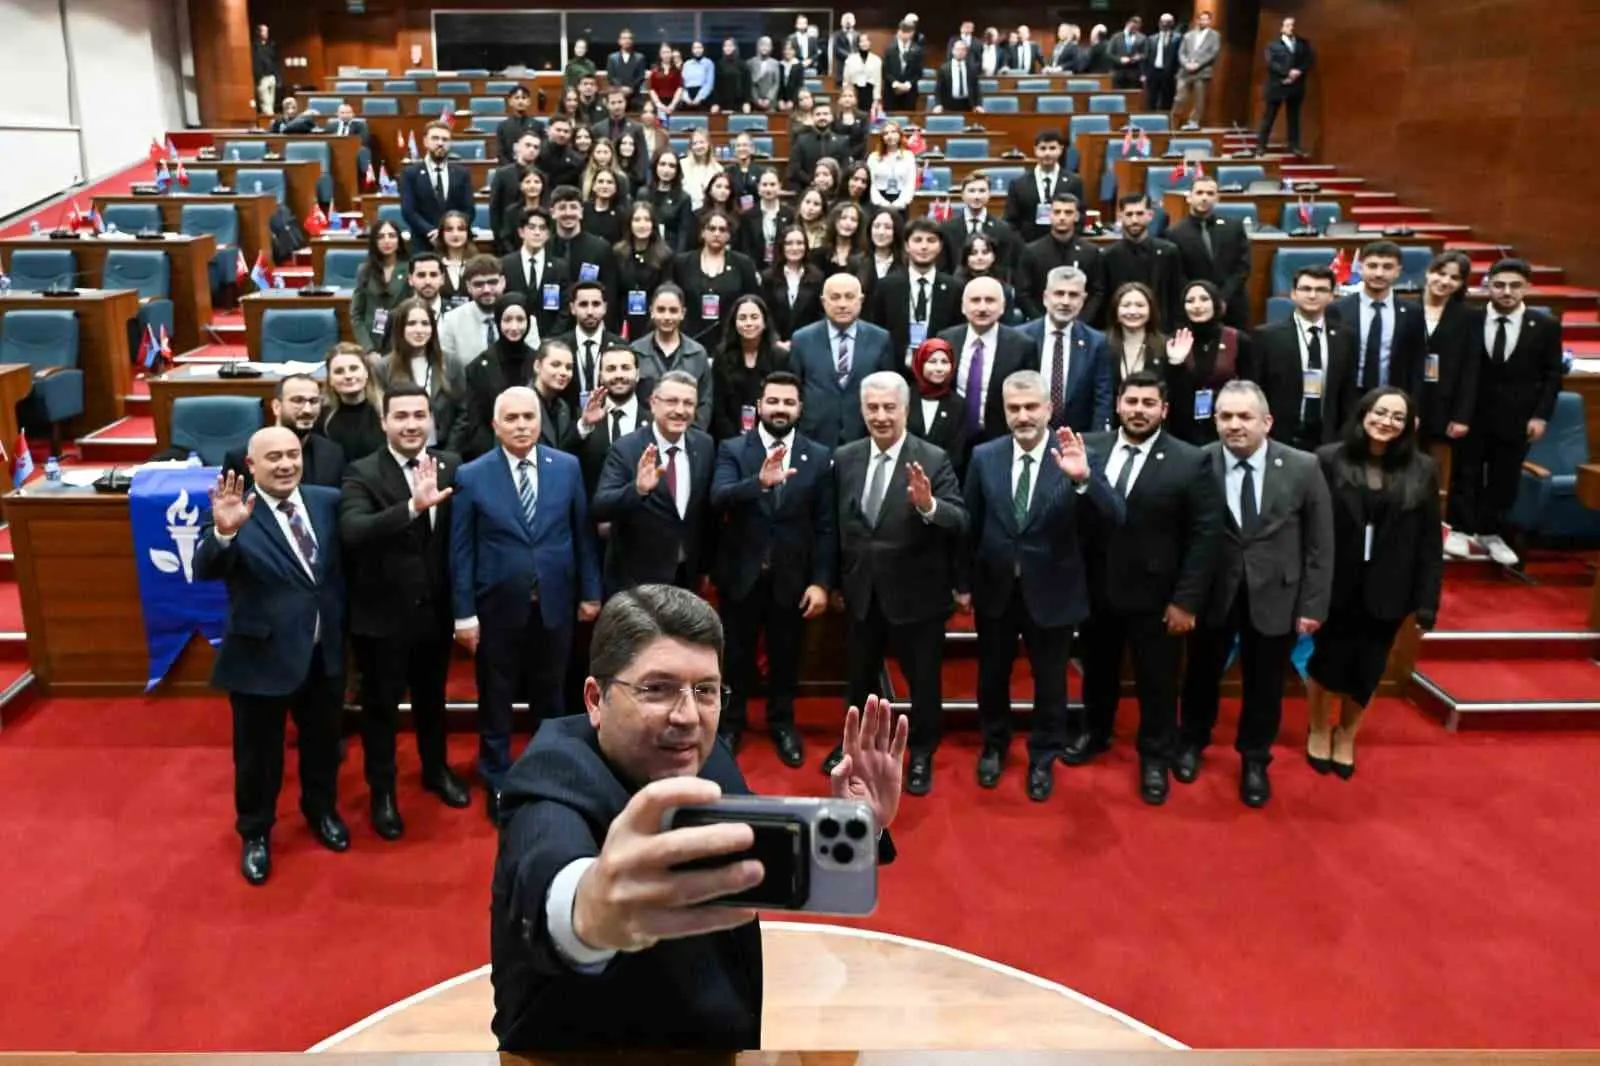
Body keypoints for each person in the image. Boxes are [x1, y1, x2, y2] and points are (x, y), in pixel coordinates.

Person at [489, 584, 905, 1050]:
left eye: (705, 690)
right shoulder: (551, 775)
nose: (688, 715)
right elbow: (548, 878)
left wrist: (860, 824)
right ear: (594, 699)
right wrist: (592, 911)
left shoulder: (704, 756)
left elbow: (759, 859)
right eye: (657, 689)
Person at [195, 428, 347, 885]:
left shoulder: (327, 501)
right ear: (251, 465)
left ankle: (321, 811)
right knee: (258, 757)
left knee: (323, 745)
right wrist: (224, 532)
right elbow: (206, 567)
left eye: (292, 455)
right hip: (260, 656)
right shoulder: (235, 510)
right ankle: (256, 832)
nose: (285, 465)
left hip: (322, 651)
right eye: (273, 457)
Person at [959, 376, 1122, 801]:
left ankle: (1043, 756)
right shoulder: (984, 456)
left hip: (1054, 589)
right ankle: (994, 745)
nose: (1023, 416)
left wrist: (1084, 480)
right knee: (992, 676)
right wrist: (963, 582)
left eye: (1031, 407)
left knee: (1050, 682)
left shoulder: (1079, 454)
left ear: (1049, 409)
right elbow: (970, 523)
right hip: (995, 588)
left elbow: (1115, 517)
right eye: (1014, 408)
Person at [1178, 380, 1334, 808]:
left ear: (1267, 421)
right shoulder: (1198, 462)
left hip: (1277, 594)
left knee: (1265, 683)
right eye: (1226, 416)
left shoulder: (1304, 466)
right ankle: (1191, 741)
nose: (1235, 425)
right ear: (1215, 421)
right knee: (1200, 675)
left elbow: (1320, 544)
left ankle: (1254, 759)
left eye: (1245, 416)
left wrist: (1313, 605)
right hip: (1213, 593)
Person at [452, 387, 602, 824]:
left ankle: (548, 772)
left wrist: (591, 592)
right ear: (495, 425)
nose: (521, 425)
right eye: (511, 418)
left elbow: (582, 534)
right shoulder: (471, 475)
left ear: (540, 422)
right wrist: (464, 614)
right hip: (496, 607)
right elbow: (461, 551)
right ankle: (497, 777)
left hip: (556, 602)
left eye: (528, 417)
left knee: (551, 693)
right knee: (496, 696)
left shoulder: (567, 467)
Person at [1079, 372, 1221, 804]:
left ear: (1164, 409)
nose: (1138, 410)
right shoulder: (1089, 448)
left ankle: (1155, 756)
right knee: (1097, 672)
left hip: (1158, 598)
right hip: (1096, 590)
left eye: (1148, 403)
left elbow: (1205, 536)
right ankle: (1096, 733)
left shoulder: (1190, 460)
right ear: (1118, 405)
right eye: (1132, 401)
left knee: (1157, 683)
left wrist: (1186, 601)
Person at [338, 384, 472, 839]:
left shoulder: (450, 464)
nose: (412, 425)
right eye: (401, 416)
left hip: (435, 615)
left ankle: (436, 771)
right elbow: (354, 530)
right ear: (384, 422)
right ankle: (383, 792)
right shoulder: (361, 471)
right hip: (382, 619)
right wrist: (412, 507)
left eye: (419, 415)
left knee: (432, 702)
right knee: (380, 711)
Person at [829, 371, 967, 796]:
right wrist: (833, 581)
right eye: (872, 407)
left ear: (906, 410)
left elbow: (959, 519)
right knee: (859, 679)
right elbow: (837, 525)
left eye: (889, 407)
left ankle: (922, 753)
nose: (881, 416)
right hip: (861, 591)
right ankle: (853, 748)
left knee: (923, 683)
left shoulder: (933, 458)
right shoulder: (846, 457)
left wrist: (928, 505)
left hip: (917, 595)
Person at [1308, 386, 1442, 778]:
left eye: (1398, 417)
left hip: (1390, 588)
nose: (1387, 422)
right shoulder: (1327, 459)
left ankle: (1347, 733)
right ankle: (1319, 728)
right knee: (1327, 662)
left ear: (1409, 426)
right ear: (1364, 414)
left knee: (1368, 669)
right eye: (1380, 412)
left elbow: (1429, 541)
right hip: (1336, 585)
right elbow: (1310, 528)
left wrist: (1428, 601)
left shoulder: (1423, 469)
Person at [710, 371, 835, 764]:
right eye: (774, 401)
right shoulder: (733, 449)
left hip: (792, 578)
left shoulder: (818, 456)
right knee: (735, 658)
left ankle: (782, 724)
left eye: (789, 403)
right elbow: (718, 497)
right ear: (760, 406)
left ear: (800, 408)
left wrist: (821, 583)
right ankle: (730, 725)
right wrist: (759, 483)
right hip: (741, 576)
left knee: (786, 656)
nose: (781, 409)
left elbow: (826, 526)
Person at [1450, 258, 1563, 567]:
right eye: (1499, 285)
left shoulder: (1545, 325)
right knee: (1465, 473)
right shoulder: (1469, 319)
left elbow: (1553, 376)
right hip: (1470, 414)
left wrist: (1540, 416)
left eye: (1515, 285)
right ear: (1488, 286)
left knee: (1505, 478)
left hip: (1518, 418)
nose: (1507, 292)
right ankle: (1460, 529)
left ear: (1528, 287)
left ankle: (1491, 532)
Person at [592, 371, 716, 595]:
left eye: (688, 403)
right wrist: (637, 489)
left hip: (686, 576)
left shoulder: (704, 445)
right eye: (672, 401)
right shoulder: (626, 448)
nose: (680, 410)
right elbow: (601, 506)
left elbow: (705, 514)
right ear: (653, 403)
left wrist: (705, 568)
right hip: (637, 580)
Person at [1325, 240, 1429, 438]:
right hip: (1349, 400)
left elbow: (1417, 365)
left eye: (1387, 267)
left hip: (1393, 399)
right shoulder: (1338, 309)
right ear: (1360, 267)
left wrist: (1415, 409)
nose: (1379, 273)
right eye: (1372, 266)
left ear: (1398, 271)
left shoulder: (1412, 312)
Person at [1255, 264, 1357, 450]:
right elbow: (1257, 389)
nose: (1312, 295)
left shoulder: (1345, 337)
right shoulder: (1267, 337)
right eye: (1306, 289)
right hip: (1279, 438)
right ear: (1293, 294)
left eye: (1321, 290)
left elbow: (1348, 392)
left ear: (1332, 296)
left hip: (1328, 439)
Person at [790, 273, 895, 447]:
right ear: (823, 302)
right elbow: (794, 390)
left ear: (861, 300)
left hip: (864, 435)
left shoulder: (880, 339)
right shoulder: (802, 339)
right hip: (813, 436)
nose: (842, 304)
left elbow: (887, 390)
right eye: (835, 297)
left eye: (849, 297)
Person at [937, 277, 1042, 450]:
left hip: (1000, 440)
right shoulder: (946, 339)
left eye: (990, 300)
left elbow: (1029, 395)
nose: (982, 308)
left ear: (1002, 307)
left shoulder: (1023, 346)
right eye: (975, 300)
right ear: (963, 306)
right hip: (952, 439)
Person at [1418, 251, 1478, 541]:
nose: (1445, 281)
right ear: (1428, 272)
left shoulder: (1468, 316)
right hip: (1408, 402)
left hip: (1446, 406)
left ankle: (1437, 533)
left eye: (1454, 277)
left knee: (1438, 475)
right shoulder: (1406, 308)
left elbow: (1471, 368)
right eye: (1440, 273)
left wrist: (1462, 415)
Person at [1018, 265, 1113, 433]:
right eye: (1059, 294)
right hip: (1027, 433)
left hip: (1078, 437)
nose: (1065, 302)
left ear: (1083, 300)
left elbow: (1102, 400)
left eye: (1073, 295)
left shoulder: (1096, 342)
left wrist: (1098, 440)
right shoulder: (1020, 337)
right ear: (1045, 297)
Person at [452, 294, 539, 459]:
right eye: (507, 320)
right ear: (498, 321)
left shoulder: (538, 362)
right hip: (491, 451)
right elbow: (474, 420)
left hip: (533, 448)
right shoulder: (479, 366)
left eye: (520, 319)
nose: (514, 327)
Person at [1164, 280, 1250, 446]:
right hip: (1184, 428)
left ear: (1216, 303)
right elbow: (1171, 392)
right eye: (1190, 301)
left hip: (1228, 422)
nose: (1197, 306)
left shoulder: (1238, 339)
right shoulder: (1175, 340)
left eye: (1204, 299)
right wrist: (1176, 363)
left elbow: (1250, 386)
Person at [224, 374, 346, 489]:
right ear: (277, 407)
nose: (307, 410)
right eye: (298, 400)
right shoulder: (241, 458)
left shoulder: (333, 454)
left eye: (314, 401)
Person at [1163, 176, 1250, 330]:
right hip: (1195, 308)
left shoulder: (1234, 227)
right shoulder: (1174, 233)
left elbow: (1242, 267)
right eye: (1199, 193)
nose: (1204, 198)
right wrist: (1201, 299)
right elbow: (1178, 273)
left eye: (1210, 193)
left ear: (1217, 198)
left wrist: (1222, 298)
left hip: (1232, 307)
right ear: (1189, 197)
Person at [869, 219, 960, 366]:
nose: (924, 246)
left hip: (938, 368)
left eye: (931, 240)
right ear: (906, 245)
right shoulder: (887, 286)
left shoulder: (954, 288)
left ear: (940, 246)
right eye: (917, 240)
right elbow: (877, 330)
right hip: (895, 367)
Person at [634, 283, 714, 430]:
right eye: (661, 310)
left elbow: (705, 402)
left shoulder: (698, 353)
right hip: (645, 434)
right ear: (651, 311)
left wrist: (693, 434)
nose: (667, 316)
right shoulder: (636, 351)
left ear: (682, 313)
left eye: (673, 310)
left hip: (687, 434)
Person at [1101, 194, 1185, 332]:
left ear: (1150, 215)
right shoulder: (1108, 256)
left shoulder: (1169, 252)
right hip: (1120, 330)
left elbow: (1176, 296)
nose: (1134, 220)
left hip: (1161, 330)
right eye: (1129, 214)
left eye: (1139, 214)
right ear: (1120, 217)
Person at [1017, 193, 1104, 324]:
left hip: (1080, 323)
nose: (1062, 217)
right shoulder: (1031, 252)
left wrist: (1081, 322)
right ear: (1049, 215)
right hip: (1041, 323)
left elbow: (1097, 292)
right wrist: (1042, 322)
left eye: (1068, 212)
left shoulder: (1091, 252)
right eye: (1057, 212)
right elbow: (1023, 293)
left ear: (1076, 216)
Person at [710, 294, 784, 440]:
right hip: (728, 437)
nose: (748, 323)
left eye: (754, 317)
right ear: (734, 323)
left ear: (765, 322)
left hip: (770, 436)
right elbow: (718, 406)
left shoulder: (780, 357)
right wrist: (734, 441)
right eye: (742, 318)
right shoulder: (722, 356)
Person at [400, 122, 475, 255]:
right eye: (435, 138)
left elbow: (468, 210)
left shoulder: (462, 173)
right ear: (425, 141)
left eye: (445, 139)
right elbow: (409, 211)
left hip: (455, 244)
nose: (440, 143)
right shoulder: (411, 173)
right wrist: (431, 231)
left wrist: (449, 231)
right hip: (423, 243)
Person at [552, 279, 627, 407]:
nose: (590, 312)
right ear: (572, 308)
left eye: (596, 304)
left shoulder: (621, 347)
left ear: (605, 308)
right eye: (583, 304)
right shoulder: (558, 346)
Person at [1003, 130, 1083, 246]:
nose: (1047, 153)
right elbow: (1011, 220)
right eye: (1043, 148)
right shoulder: (1018, 184)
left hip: (1064, 244)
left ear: (1061, 150)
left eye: (1052, 148)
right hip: (1028, 245)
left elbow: (1080, 216)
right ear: (1035, 150)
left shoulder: (1074, 181)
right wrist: (1020, 246)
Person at [437, 255, 507, 371]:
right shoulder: (451, 321)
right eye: (478, 284)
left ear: (503, 282)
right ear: (468, 287)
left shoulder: (522, 318)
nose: (486, 290)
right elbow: (445, 368)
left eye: (492, 282)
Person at [1256, 16, 1314, 154]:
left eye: (1292, 25)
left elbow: (1309, 60)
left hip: (1295, 86)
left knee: (1293, 118)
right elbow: (1271, 63)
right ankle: (1261, 145)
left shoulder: (1303, 44)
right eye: (1287, 25)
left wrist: (1298, 71)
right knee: (1269, 117)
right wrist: (1287, 73)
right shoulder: (1273, 45)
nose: (1291, 28)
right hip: (1277, 85)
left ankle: (1294, 146)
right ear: (1282, 28)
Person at [319, 342, 384, 463]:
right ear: (330, 380)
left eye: (354, 369)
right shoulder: (320, 416)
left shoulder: (386, 410)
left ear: (366, 373)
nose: (348, 376)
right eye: (339, 371)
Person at [907, 337, 968, 465]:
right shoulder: (905, 397)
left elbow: (957, 453)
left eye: (944, 362)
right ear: (920, 363)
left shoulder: (958, 404)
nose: (939, 368)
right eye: (932, 361)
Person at [762, 225, 823, 342]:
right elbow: (765, 313)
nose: (794, 248)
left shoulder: (817, 277)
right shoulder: (768, 277)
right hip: (776, 344)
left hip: (808, 341)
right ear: (781, 246)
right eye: (789, 243)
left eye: (799, 243)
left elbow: (819, 314)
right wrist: (775, 340)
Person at [1173, 11, 1220, 129]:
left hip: (1202, 72)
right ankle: (1174, 121)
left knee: (1199, 100)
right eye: (1201, 19)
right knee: (1180, 98)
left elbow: (1213, 53)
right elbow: (1181, 53)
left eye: (1206, 19)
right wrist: (1186, 64)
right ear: (1197, 20)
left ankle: (1193, 122)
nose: (1203, 21)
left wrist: (1198, 65)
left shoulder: (1215, 36)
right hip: (1185, 72)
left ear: (1210, 21)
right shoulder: (1188, 35)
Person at [867, 121, 917, 214]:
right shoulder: (873, 157)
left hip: (901, 202)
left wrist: (900, 203)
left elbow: (910, 183)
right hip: (879, 202)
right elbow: (871, 183)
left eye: (893, 132)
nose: (890, 136)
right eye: (886, 133)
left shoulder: (908, 156)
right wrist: (882, 203)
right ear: (882, 137)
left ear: (900, 135)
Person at [495, 86, 545, 165]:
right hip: (509, 168)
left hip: (532, 168)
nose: (520, 101)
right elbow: (500, 153)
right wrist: (511, 169)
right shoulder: (502, 126)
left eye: (524, 98)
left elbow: (542, 151)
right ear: (510, 102)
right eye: (517, 98)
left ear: (529, 101)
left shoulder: (538, 125)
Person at [882, 22, 924, 113]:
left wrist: (907, 85)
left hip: (909, 94)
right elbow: (885, 71)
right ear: (898, 31)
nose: (905, 34)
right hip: (891, 93)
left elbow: (919, 73)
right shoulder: (889, 49)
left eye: (908, 32)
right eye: (903, 31)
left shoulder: (917, 50)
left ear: (912, 33)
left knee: (908, 118)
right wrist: (895, 84)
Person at [1142, 14, 1181, 112]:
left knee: (1167, 99)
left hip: (1169, 73)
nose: (1164, 24)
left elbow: (1179, 57)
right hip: (1153, 72)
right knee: (1151, 99)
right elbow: (1146, 57)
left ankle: (1165, 119)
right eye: (1162, 21)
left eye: (1167, 22)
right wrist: (1144, 73)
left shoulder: (1178, 38)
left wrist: (1178, 72)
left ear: (1172, 23)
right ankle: (1150, 118)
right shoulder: (1151, 38)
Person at [934, 40, 982, 114]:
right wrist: (938, 104)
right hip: (949, 105)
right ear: (953, 51)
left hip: (967, 105)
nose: (960, 52)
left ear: (966, 52)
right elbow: (938, 89)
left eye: (963, 49)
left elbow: (976, 88)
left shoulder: (972, 68)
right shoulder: (944, 68)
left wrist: (978, 105)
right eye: (957, 49)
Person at [605, 29, 648, 106]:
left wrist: (630, 88)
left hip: (635, 95)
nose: (627, 41)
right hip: (617, 95)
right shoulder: (612, 58)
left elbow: (641, 76)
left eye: (629, 38)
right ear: (619, 41)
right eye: (624, 38)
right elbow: (611, 76)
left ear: (632, 41)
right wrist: (621, 88)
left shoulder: (640, 57)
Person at [1108, 16, 1146, 90]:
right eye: (1132, 27)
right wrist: (1119, 59)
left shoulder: (1142, 38)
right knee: (1118, 94)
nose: (1134, 30)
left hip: (1134, 74)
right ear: (1127, 24)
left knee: (1133, 95)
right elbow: (1109, 53)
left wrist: (1138, 57)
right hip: (1118, 73)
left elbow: (1145, 54)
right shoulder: (1116, 37)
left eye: (1136, 28)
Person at [251, 24, 278, 116]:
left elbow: (275, 60)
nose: (266, 33)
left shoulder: (271, 45)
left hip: (271, 76)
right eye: (264, 31)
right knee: (265, 102)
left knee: (271, 101)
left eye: (267, 31)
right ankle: (269, 118)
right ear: (259, 32)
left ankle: (271, 117)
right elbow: (255, 62)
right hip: (262, 77)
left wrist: (276, 75)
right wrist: (259, 76)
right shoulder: (255, 46)